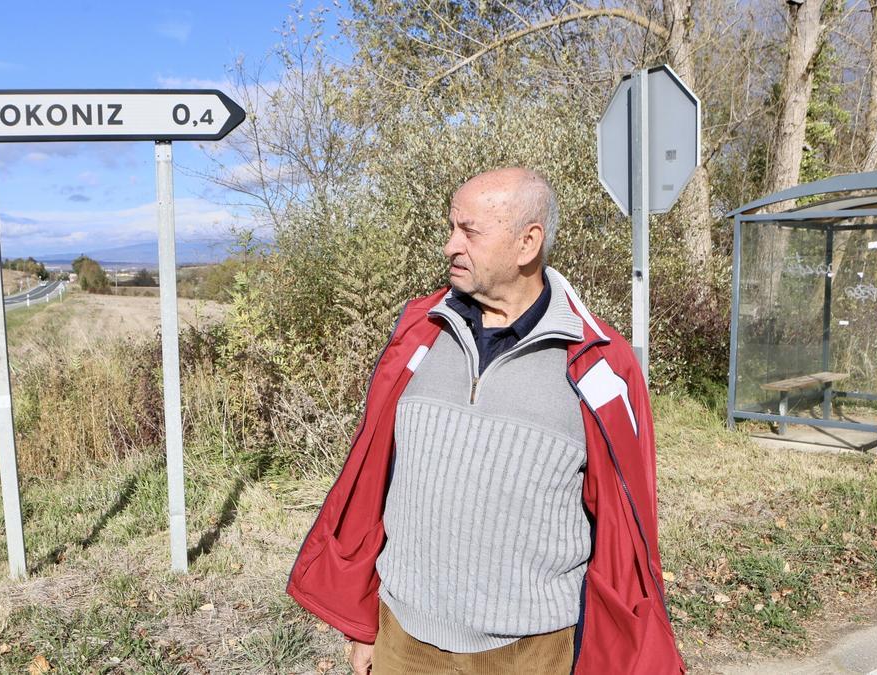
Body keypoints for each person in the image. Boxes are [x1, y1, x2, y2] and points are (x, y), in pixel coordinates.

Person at [286, 168, 684, 674]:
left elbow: (627, 534)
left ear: (527, 243)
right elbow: (371, 485)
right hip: (404, 639)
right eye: (452, 228)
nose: (450, 246)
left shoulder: (598, 363)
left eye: (469, 231)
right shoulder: (419, 332)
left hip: (531, 653)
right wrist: (363, 624)